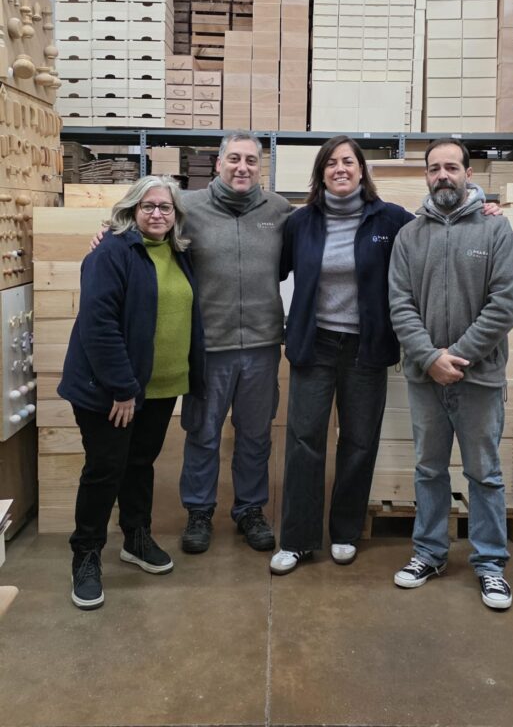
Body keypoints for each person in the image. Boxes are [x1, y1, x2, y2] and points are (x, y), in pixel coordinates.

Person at [269, 136, 415, 575]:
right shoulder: (301, 222)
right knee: (304, 440)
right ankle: (297, 539)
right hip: (314, 344)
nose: (340, 169)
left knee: (359, 442)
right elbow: (271, 267)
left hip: (365, 349)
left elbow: (434, 233)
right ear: (321, 173)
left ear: (361, 169)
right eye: (331, 162)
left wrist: (481, 205)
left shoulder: (390, 219)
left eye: (348, 161)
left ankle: (345, 532)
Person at [388, 138, 513, 610]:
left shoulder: (496, 231)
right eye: (434, 168)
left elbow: (506, 303)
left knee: (484, 473)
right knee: (428, 470)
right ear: (426, 176)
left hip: (479, 379)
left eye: (451, 167)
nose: (442, 175)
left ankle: (490, 565)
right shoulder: (409, 236)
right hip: (425, 378)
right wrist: (429, 358)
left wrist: (457, 357)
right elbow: (399, 303)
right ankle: (429, 554)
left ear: (469, 173)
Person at [58, 176, 205, 610]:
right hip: (111, 389)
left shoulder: (179, 252)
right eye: (148, 206)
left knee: (140, 463)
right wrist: (123, 388)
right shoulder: (111, 252)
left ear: (176, 215)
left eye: (165, 207)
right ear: (131, 210)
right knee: (105, 469)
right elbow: (98, 325)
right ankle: (86, 556)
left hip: (160, 387)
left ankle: (136, 538)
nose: (157, 213)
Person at [179, 131, 291, 554]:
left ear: (260, 167)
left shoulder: (278, 210)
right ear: (219, 163)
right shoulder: (186, 207)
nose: (242, 167)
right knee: (203, 433)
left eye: (251, 160)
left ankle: (250, 509)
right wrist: (106, 230)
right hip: (209, 346)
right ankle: (199, 511)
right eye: (234, 159)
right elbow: (142, 225)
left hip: (262, 345)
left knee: (255, 435)